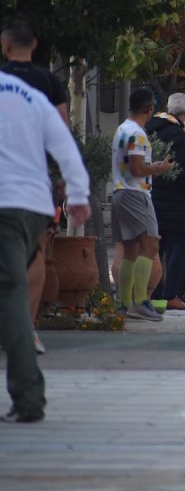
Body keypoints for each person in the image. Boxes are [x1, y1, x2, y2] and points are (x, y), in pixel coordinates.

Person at [0, 71, 91, 423]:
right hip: (33, 206)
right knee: (14, 286)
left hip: (6, 205)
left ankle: (27, 396)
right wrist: (79, 193)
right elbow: (65, 144)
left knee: (11, 294)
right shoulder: (30, 97)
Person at [1, 19, 70, 354]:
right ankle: (27, 329)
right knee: (35, 254)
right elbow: (61, 132)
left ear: (5, 45)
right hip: (33, 182)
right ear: (35, 45)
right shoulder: (50, 82)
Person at [111, 88, 175, 322]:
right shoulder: (137, 134)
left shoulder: (122, 129)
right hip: (135, 194)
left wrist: (152, 167)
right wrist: (159, 168)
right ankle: (140, 301)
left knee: (130, 250)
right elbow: (137, 169)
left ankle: (123, 303)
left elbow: (132, 166)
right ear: (149, 109)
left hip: (120, 192)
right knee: (150, 246)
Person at [146, 92, 185, 311]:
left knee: (158, 248)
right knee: (181, 248)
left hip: (153, 196)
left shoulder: (150, 127)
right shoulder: (177, 134)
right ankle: (172, 295)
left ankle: (155, 296)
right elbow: (180, 168)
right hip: (175, 202)